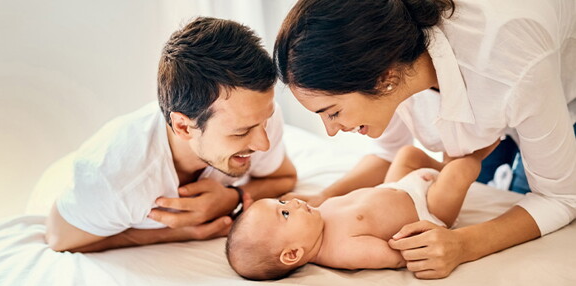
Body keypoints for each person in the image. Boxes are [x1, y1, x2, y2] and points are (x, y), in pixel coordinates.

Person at [275, 0, 575, 279]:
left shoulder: (512, 63)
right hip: (508, 88)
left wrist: (463, 245)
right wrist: (322, 200)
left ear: (385, 79)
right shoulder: (391, 57)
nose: (331, 130)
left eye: (333, 112)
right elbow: (389, 152)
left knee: (509, 185)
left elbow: (560, 197)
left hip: (551, 85)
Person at [43, 17, 297, 252]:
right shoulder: (117, 180)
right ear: (184, 127)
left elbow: (284, 177)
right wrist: (177, 233)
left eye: (264, 122)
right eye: (241, 132)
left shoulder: (258, 114)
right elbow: (59, 237)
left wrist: (233, 199)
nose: (263, 143)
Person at [226, 144, 491, 280]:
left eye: (281, 203)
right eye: (284, 214)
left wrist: (311, 199)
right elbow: (398, 255)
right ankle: (482, 147)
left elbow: (343, 201)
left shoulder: (314, 219)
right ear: (293, 253)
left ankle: (441, 167)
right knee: (462, 169)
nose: (291, 205)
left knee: (408, 152)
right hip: (427, 210)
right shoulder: (343, 251)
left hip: (396, 186)